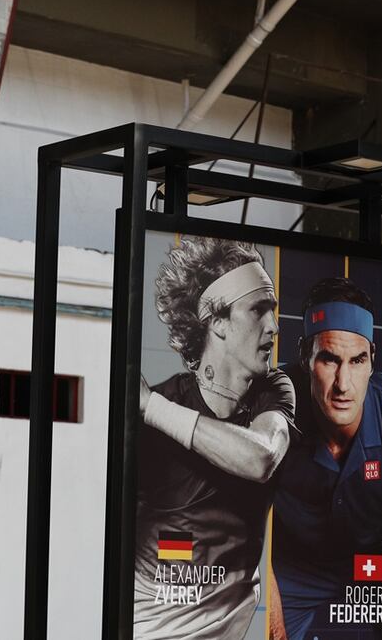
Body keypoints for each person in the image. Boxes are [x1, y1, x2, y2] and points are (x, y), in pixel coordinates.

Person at [133, 236, 294, 639]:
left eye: (272, 310)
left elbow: (262, 458)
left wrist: (150, 408)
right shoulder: (159, 410)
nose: (273, 326)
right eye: (258, 310)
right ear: (217, 322)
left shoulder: (273, 389)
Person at [269, 277, 382, 640]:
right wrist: (271, 623)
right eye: (329, 360)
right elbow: (238, 521)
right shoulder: (267, 411)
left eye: (357, 360)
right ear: (304, 357)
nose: (344, 383)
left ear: (372, 361)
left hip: (378, 567)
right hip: (294, 568)